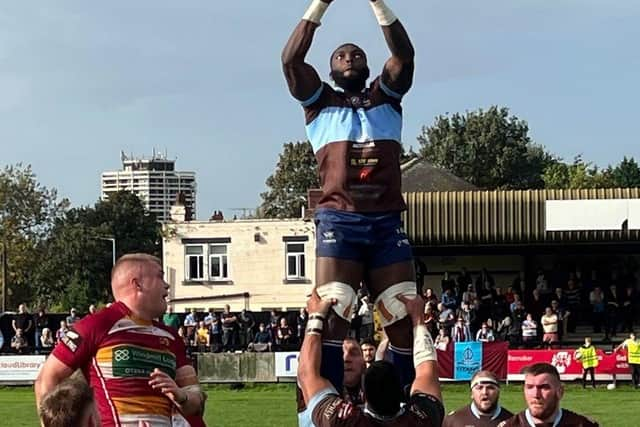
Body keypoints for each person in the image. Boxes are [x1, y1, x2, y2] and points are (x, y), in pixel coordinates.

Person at [283, 0, 418, 394]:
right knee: (333, 307)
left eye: (357, 54)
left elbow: (404, 55)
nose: (349, 57)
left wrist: (377, 3)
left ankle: (404, 406)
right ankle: (324, 403)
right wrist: (320, 4)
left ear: (368, 66)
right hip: (340, 219)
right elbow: (290, 60)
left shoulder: (387, 97)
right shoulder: (319, 103)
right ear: (329, 70)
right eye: (341, 55)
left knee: (400, 312)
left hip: (386, 220)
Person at [34, 253, 206, 427]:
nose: (167, 285)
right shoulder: (97, 324)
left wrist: (182, 396)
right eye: (160, 277)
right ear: (137, 284)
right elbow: (47, 378)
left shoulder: (171, 336)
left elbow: (197, 400)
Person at [297, 290, 443, 426]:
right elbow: (426, 373)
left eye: (353, 353)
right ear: (403, 393)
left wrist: (315, 317)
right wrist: (418, 320)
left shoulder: (346, 420)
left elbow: (306, 374)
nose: (346, 358)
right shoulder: (422, 418)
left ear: (364, 396)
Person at [502, 363, 598, 426]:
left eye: (544, 387)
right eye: (530, 387)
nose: (536, 394)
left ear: (560, 392)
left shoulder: (581, 424)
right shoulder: (510, 425)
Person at [443, 370, 513, 427]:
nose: (484, 392)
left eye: (490, 388)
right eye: (479, 388)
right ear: (472, 393)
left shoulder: (513, 422)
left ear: (498, 392)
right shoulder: (453, 421)